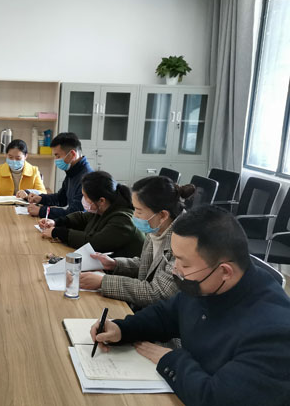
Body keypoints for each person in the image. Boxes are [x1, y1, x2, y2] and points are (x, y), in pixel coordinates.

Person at [91, 205, 290, 406]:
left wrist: (172, 360)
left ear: (225, 271)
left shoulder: (274, 334)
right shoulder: (208, 282)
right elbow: (167, 315)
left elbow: (216, 399)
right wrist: (122, 329)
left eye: (184, 264)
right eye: (175, 258)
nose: (175, 269)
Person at [79, 176, 195, 309]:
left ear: (163, 215)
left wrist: (103, 282)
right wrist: (114, 264)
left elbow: (157, 292)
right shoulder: (157, 226)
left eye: (139, 211)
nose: (134, 216)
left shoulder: (184, 241)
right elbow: (147, 265)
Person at [38, 171, 144, 257]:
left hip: (123, 274)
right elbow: (82, 218)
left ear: (101, 201)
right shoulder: (104, 209)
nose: (83, 200)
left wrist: (58, 232)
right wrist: (56, 222)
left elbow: (95, 243)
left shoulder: (123, 220)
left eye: (85, 196)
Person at [27, 132, 92, 218]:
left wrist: (41, 211)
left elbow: (75, 213)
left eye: (58, 156)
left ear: (72, 154)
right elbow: (61, 198)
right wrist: (41, 198)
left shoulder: (87, 179)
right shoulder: (72, 171)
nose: (56, 160)